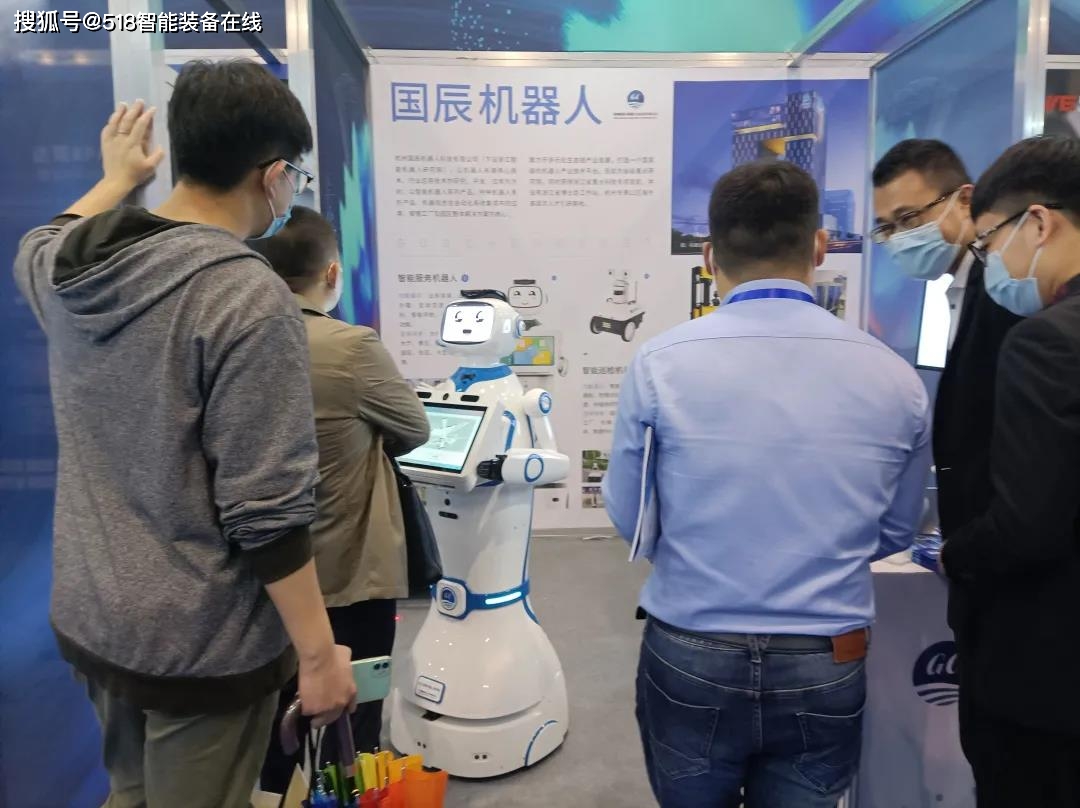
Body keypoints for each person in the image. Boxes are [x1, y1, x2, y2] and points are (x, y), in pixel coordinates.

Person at [13, 62, 356, 808]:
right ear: (273, 176)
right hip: (202, 642)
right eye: (293, 176)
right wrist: (318, 656)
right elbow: (266, 509)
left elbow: (40, 241)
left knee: (130, 794)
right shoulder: (244, 294)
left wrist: (118, 179)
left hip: (96, 616)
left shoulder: (71, 271)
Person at [604, 160, 931, 808]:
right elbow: (896, 533)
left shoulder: (659, 364)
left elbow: (628, 517)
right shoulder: (896, 378)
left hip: (691, 645)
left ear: (708, 256)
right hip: (828, 655)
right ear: (819, 246)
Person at [254, 207, 430, 792]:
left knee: (273, 728)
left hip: (264, 573)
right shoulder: (350, 346)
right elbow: (415, 427)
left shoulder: (239, 339)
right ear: (332, 273)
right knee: (352, 727)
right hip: (351, 570)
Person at [871, 140, 1022, 784]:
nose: (899, 238)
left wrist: (963, 548)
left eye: (909, 218)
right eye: (886, 227)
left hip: (1010, 576)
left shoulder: (1007, 296)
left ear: (964, 199)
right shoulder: (961, 288)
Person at [940, 135, 1080, 806]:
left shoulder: (1046, 344)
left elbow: (1028, 525)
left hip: (1046, 681)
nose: (990, 263)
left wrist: (955, 553)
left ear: (1039, 223)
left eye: (989, 243)